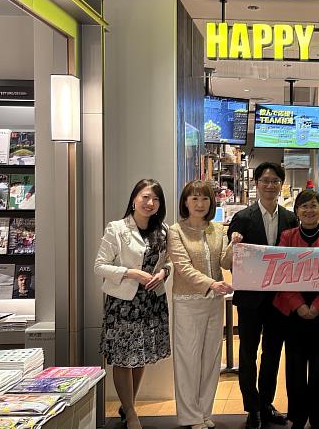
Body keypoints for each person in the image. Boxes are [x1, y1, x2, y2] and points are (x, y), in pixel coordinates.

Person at [222, 162, 298, 429]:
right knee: (248, 353)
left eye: (275, 181)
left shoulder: (290, 218)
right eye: (265, 180)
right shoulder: (243, 218)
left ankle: (266, 403)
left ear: (281, 185)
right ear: (256, 183)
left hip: (280, 298)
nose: (270, 185)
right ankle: (251, 407)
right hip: (250, 299)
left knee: (273, 353)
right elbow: (232, 259)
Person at [94, 179, 172, 429]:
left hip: (151, 301)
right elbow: (99, 266)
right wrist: (131, 273)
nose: (150, 203)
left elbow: (169, 261)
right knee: (123, 358)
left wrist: (164, 273)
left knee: (141, 355)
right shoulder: (117, 228)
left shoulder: (163, 230)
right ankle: (130, 412)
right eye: (145, 197)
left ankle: (129, 405)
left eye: (156, 199)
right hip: (124, 304)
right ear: (134, 199)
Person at [167, 181, 234, 429]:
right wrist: (211, 284)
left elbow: (225, 263)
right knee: (188, 359)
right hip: (187, 301)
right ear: (185, 202)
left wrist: (234, 245)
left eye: (205, 199)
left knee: (211, 359)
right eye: (194, 198)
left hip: (214, 301)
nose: (200, 204)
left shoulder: (218, 229)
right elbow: (183, 268)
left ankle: (205, 413)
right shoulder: (176, 231)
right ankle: (190, 416)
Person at [272, 190, 319, 429]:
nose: (309, 211)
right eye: (304, 206)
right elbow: (280, 273)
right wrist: (299, 306)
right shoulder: (287, 236)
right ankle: (298, 417)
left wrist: (317, 307)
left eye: (313, 206)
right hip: (293, 310)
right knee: (295, 365)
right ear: (296, 211)